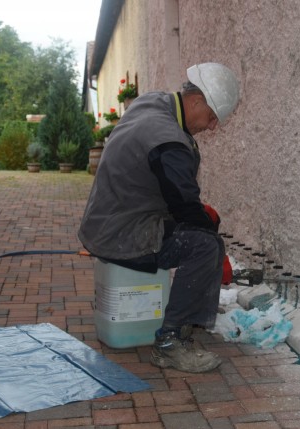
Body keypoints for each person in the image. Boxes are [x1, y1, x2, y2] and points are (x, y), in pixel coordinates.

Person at [78, 63, 240, 373]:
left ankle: (190, 311)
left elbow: (175, 195)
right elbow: (186, 209)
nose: (212, 127)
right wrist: (215, 248)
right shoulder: (170, 140)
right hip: (123, 234)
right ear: (195, 101)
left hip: (111, 221)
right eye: (211, 117)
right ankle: (170, 341)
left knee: (205, 231)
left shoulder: (154, 103)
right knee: (205, 245)